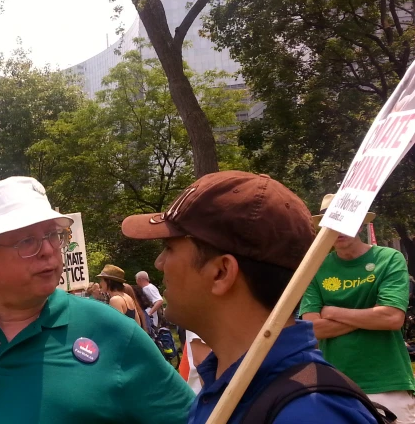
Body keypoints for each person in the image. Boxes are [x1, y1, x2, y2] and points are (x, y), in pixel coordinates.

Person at [0, 176, 194, 424]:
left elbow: (192, 418)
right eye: (27, 241)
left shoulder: (111, 330)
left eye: (52, 235)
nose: (49, 250)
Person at [122, 170, 377, 423]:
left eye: (169, 247)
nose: (159, 262)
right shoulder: (225, 384)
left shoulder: (310, 414)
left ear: (221, 273)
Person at [300, 194, 415, 422]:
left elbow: (392, 319)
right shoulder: (314, 267)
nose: (338, 229)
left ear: (361, 222)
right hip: (334, 385)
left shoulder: (389, 258)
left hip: (388, 383)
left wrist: (332, 312)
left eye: (345, 220)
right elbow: (312, 330)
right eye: (332, 222)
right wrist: (371, 314)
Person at [97, 265, 146, 330]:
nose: (100, 283)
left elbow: (117, 328)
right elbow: (138, 324)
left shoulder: (115, 300)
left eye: (102, 280)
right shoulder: (127, 297)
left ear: (109, 281)